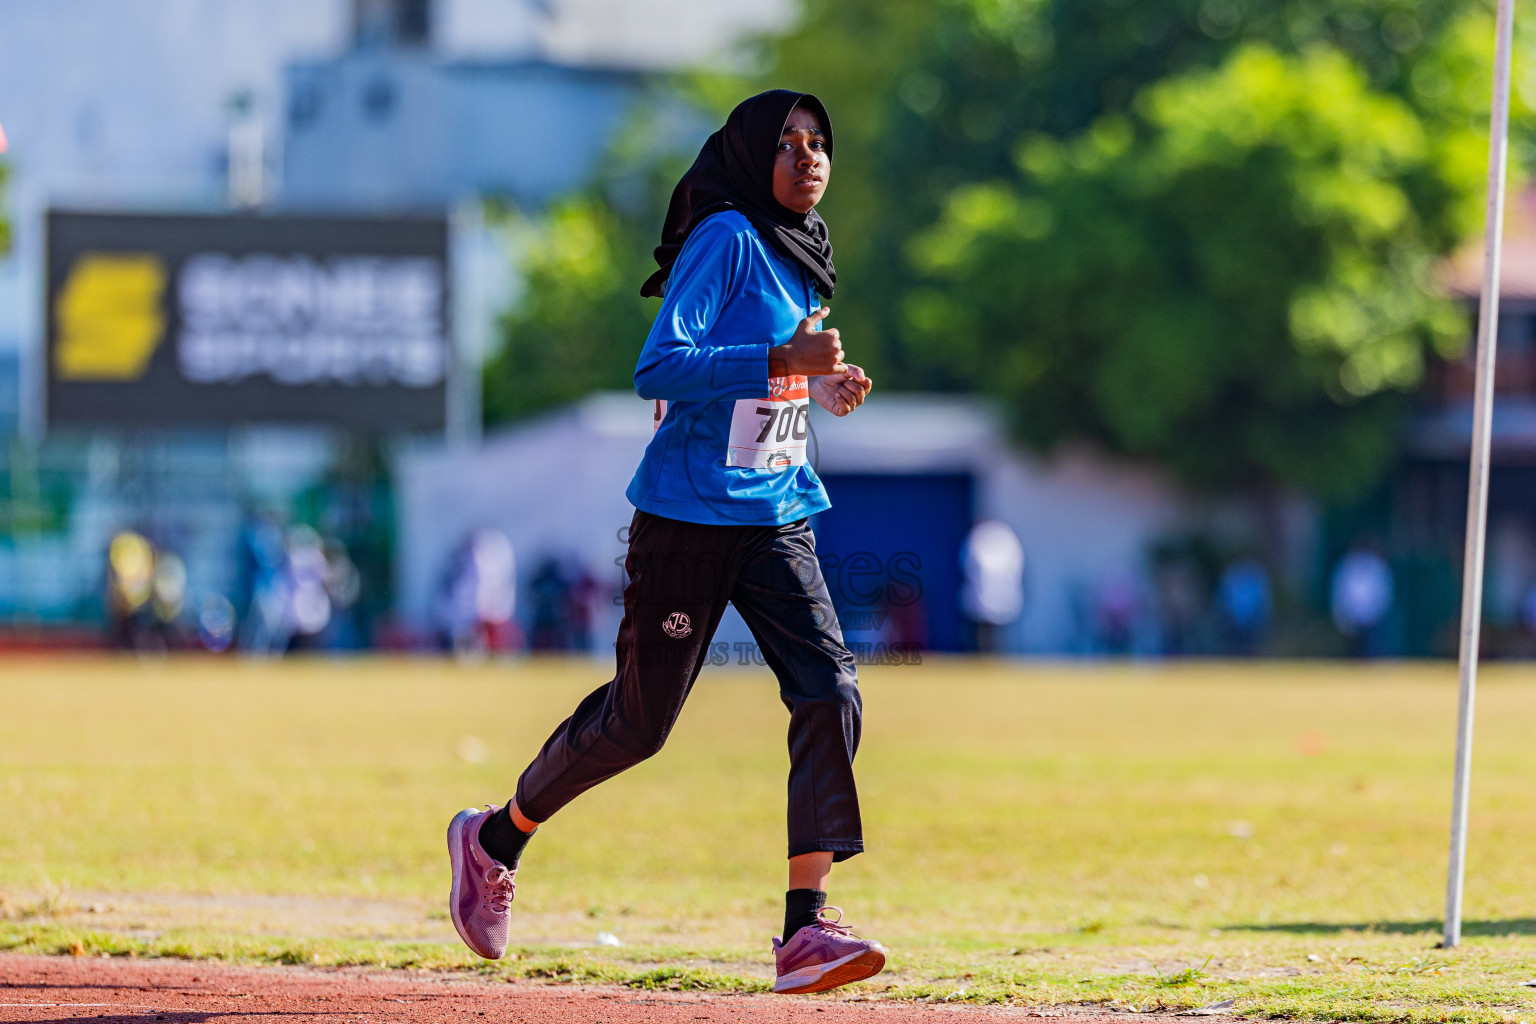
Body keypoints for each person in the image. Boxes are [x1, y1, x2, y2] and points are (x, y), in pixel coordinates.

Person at [445, 89, 883, 995]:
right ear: (750, 153)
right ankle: (493, 839)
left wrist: (821, 386)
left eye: (820, 143)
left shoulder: (802, 253)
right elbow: (659, 366)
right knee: (639, 726)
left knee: (831, 689)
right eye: (789, 143)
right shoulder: (726, 236)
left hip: (775, 514)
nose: (809, 157)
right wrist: (778, 364)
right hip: (687, 519)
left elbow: (772, 381)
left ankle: (807, 928)